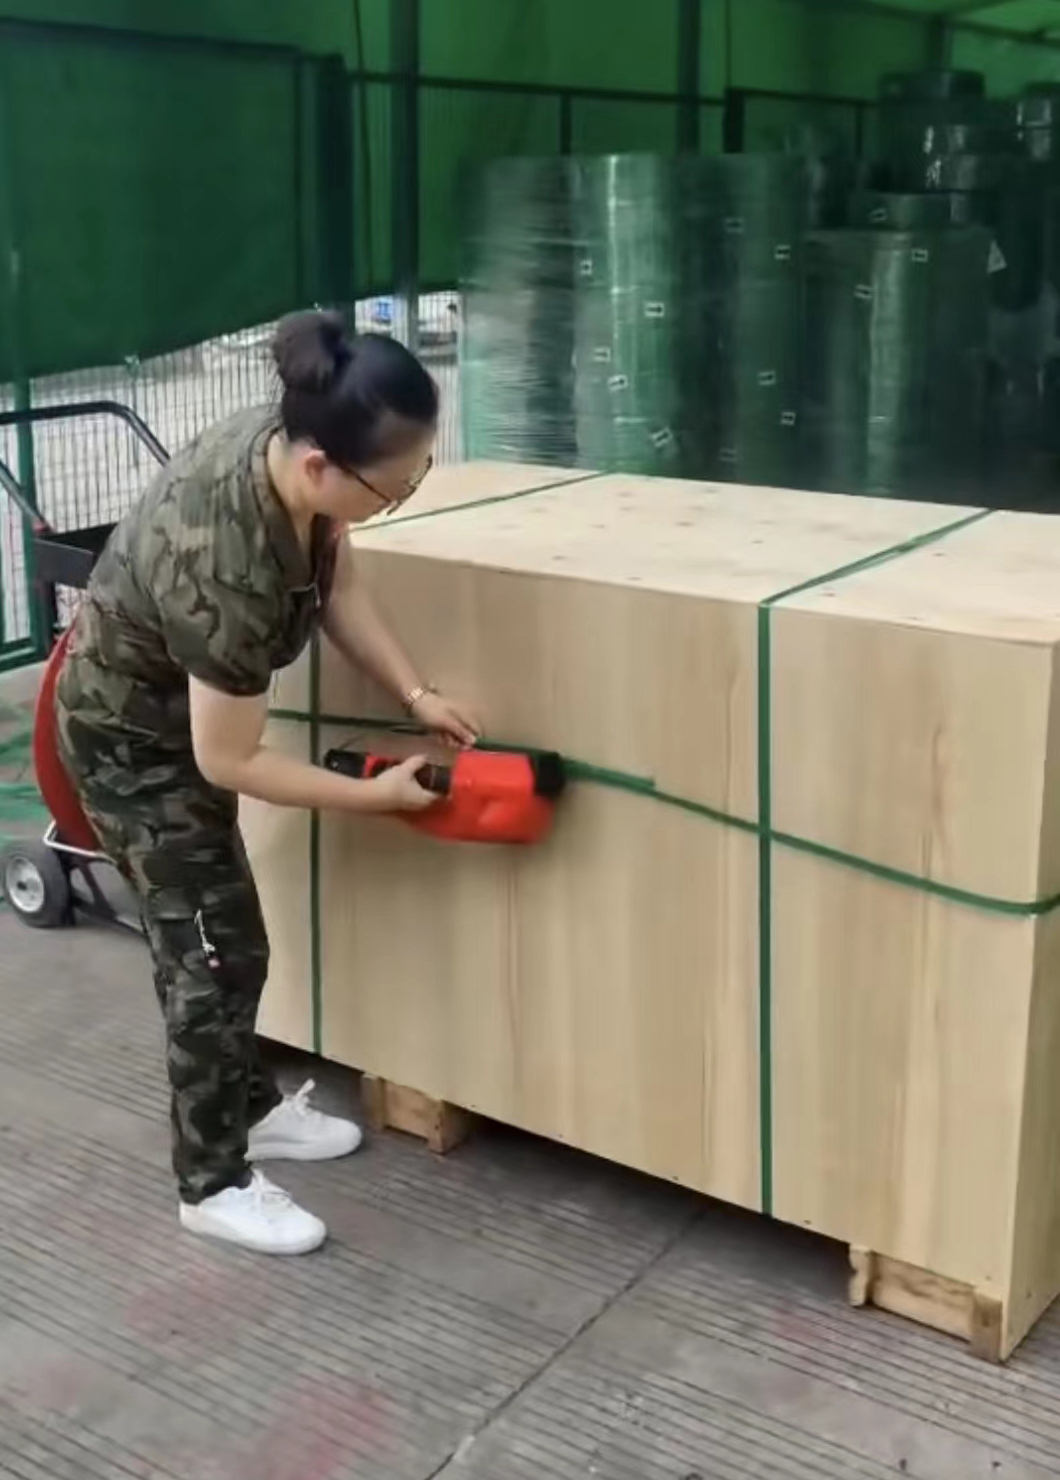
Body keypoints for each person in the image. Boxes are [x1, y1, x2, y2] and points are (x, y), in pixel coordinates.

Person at [55, 309, 480, 1257]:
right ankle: (210, 1182)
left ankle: (249, 1109)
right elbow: (229, 761)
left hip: (183, 726)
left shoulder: (300, 448)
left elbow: (339, 586)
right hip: (131, 749)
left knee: (226, 938)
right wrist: (379, 798)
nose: (399, 497)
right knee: (213, 956)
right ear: (324, 466)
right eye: (395, 486)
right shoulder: (227, 565)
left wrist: (415, 692)